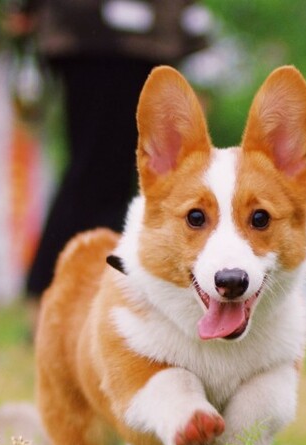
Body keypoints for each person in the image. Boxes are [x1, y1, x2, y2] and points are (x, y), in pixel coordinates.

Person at [18, 0, 210, 339]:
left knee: (116, 179)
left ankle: (87, 302)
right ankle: (52, 303)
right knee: (94, 176)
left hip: (130, 37)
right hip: (100, 33)